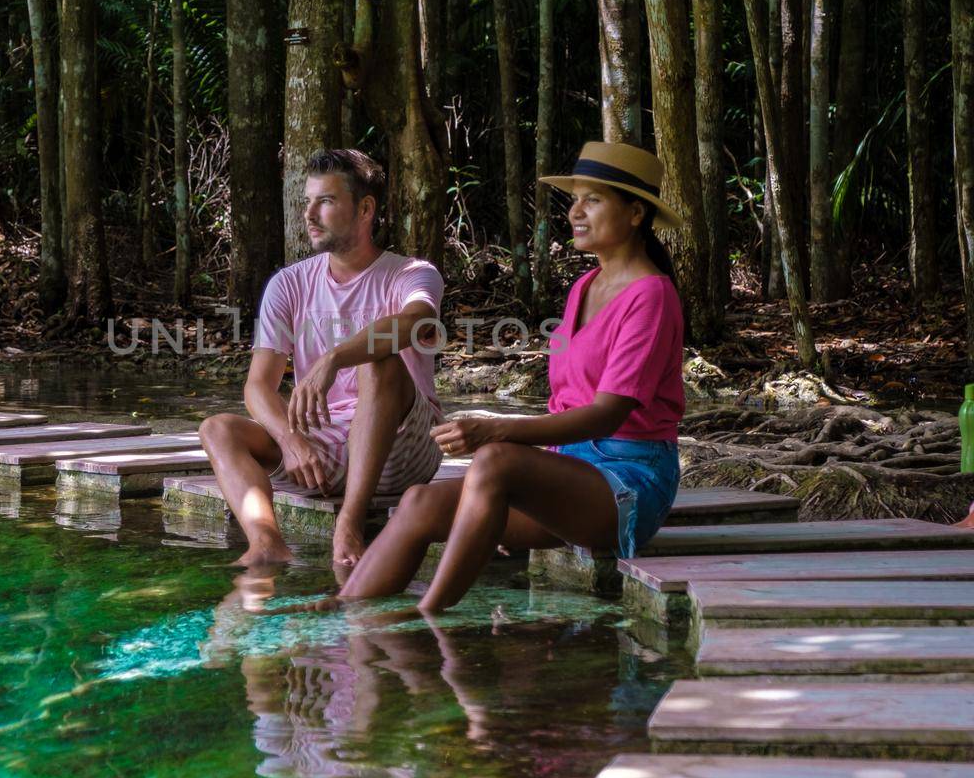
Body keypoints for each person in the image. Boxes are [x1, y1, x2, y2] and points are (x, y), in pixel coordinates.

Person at [340, 140, 685, 613]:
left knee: (497, 459)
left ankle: (427, 617)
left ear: (636, 214)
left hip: (627, 482)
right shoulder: (585, 286)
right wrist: (510, 490)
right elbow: (566, 401)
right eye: (575, 199)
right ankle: (344, 613)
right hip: (567, 474)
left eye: (594, 200)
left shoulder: (652, 296)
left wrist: (498, 431)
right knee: (419, 501)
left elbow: (606, 415)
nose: (575, 212)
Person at [200, 148, 444, 569]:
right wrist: (290, 440)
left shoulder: (412, 273)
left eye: (326, 201)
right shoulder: (289, 284)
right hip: (322, 453)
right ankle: (266, 543)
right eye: (307, 201)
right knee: (218, 429)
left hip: (404, 446)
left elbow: (414, 320)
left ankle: (349, 523)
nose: (310, 214)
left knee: (379, 358)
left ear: (365, 209)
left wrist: (334, 357)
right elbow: (258, 385)